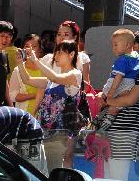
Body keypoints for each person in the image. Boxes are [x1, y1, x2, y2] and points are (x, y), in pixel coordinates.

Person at [18, 40, 83, 171]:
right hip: (44, 130)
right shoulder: (52, 80)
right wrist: (20, 62)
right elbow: (27, 80)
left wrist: (36, 61)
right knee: (43, 169)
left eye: (60, 53)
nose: (56, 56)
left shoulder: (75, 74)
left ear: (71, 54)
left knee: (54, 169)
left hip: (60, 132)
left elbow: (54, 78)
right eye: (55, 52)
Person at [103, 30, 139, 180]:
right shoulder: (128, 69)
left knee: (118, 178)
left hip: (125, 131)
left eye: (134, 47)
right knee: (107, 177)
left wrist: (108, 100)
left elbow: (130, 100)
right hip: (113, 130)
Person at [93, 28, 139, 134]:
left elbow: (118, 77)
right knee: (114, 107)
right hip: (130, 85)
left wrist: (111, 91)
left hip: (117, 83)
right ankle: (105, 123)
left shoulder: (122, 59)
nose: (113, 48)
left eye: (116, 44)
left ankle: (97, 122)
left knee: (102, 101)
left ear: (127, 45)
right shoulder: (138, 57)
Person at [41, 21, 89, 87]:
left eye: (66, 35)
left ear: (75, 37)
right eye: (59, 34)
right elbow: (41, 85)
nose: (61, 38)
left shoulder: (83, 57)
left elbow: (86, 85)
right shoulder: (47, 58)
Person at [8, 34, 45, 116]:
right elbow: (12, 96)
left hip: (44, 116)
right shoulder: (18, 70)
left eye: (34, 46)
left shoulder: (46, 66)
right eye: (27, 46)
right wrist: (35, 95)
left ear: (40, 49)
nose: (30, 49)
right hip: (25, 115)